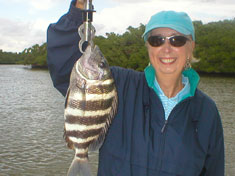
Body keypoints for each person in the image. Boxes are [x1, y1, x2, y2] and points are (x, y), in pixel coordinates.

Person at [47, 0, 225, 175]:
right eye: (157, 40)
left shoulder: (206, 112)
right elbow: (64, 67)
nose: (167, 48)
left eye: (177, 40)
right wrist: (79, 7)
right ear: (148, 47)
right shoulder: (119, 85)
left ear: (191, 47)